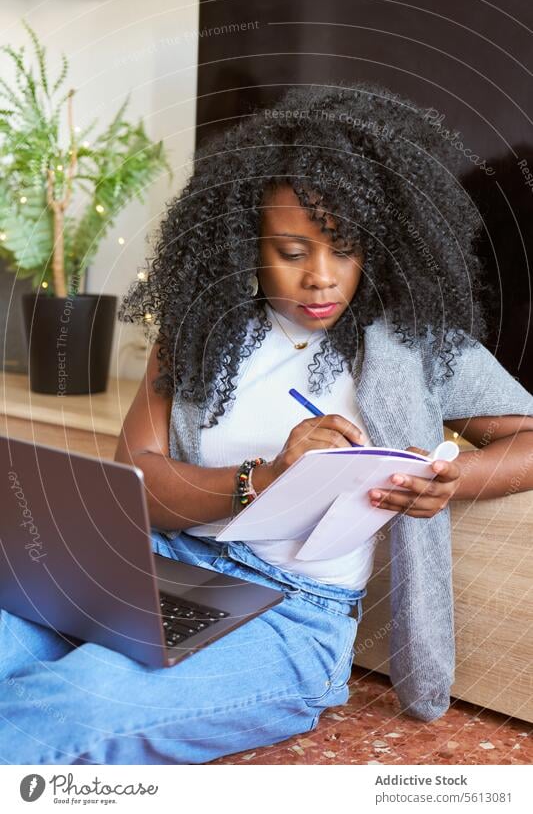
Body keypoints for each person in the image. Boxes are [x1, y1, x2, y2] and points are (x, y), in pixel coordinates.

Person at [1, 83, 532, 765]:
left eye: (343, 249)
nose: (320, 278)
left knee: (82, 701)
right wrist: (264, 477)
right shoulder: (201, 335)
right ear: (246, 242)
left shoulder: (415, 346)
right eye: (290, 251)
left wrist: (447, 479)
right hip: (162, 575)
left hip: (291, 617)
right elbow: (138, 482)